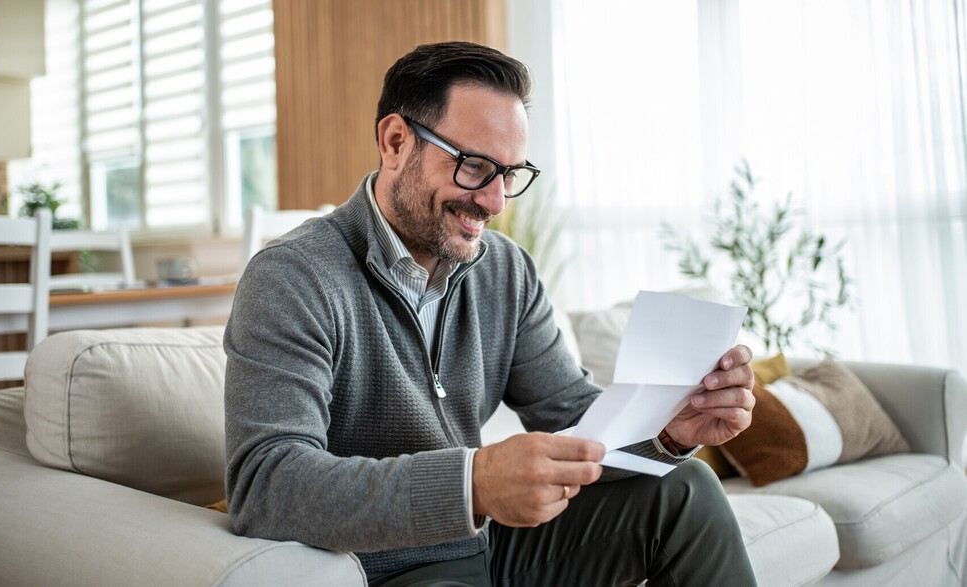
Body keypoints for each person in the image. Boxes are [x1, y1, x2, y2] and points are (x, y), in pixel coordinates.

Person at [224, 40, 758, 586]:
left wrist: (666, 431)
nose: (496, 201)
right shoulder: (292, 276)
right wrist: (472, 484)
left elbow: (576, 420)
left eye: (509, 173)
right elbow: (266, 486)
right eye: (475, 166)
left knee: (687, 491)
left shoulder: (505, 269)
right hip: (384, 569)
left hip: (494, 546)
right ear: (395, 141)